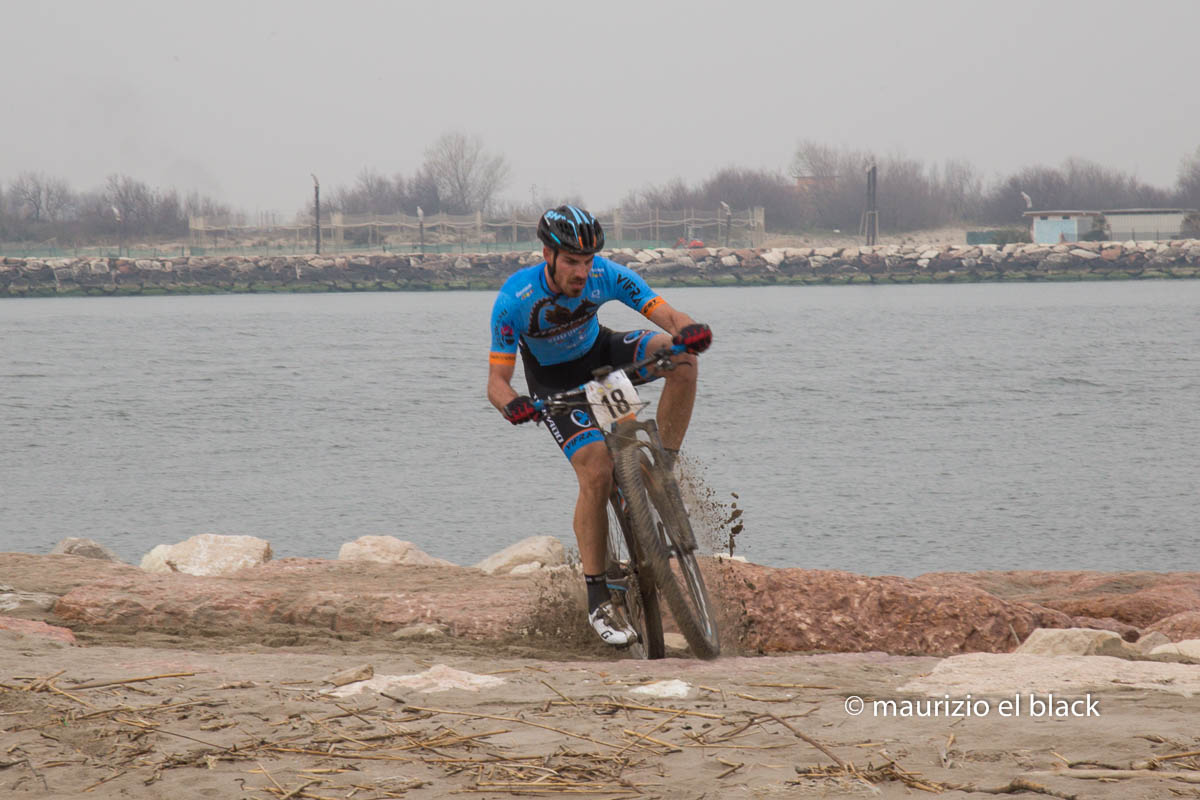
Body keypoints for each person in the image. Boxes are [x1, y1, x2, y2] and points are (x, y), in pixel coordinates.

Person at [487, 205, 712, 646]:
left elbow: (667, 316)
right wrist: (513, 405)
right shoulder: (514, 300)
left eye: (587, 262)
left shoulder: (606, 274)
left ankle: (663, 463)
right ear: (547, 254)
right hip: (553, 383)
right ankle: (598, 598)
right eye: (571, 261)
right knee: (596, 469)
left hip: (603, 359)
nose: (581, 272)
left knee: (681, 359)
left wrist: (691, 331)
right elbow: (497, 382)